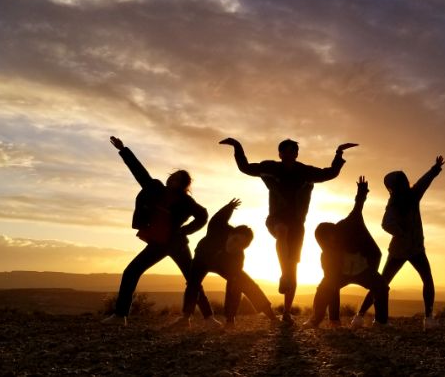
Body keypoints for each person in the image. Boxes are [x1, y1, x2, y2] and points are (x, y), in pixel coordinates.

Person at [219, 137, 357, 324]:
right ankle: (284, 273)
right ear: (280, 153)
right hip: (275, 219)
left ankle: (286, 312)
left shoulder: (305, 172)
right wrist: (237, 146)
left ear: (297, 154)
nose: (291, 153)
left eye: (294, 151)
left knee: (293, 270)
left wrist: (339, 152)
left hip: (297, 225)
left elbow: (330, 173)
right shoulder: (270, 168)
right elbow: (245, 167)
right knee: (282, 231)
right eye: (287, 150)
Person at [102, 136, 216, 327]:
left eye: (177, 179)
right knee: (131, 272)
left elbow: (203, 215)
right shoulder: (155, 188)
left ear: (183, 184)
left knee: (192, 280)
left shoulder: (186, 201)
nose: (172, 179)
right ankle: (120, 315)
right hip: (158, 244)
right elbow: (139, 172)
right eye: (172, 176)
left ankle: (209, 318)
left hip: (177, 244)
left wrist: (185, 231)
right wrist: (123, 150)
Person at [354, 156, 445, 330]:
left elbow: (386, 224)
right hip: (412, 248)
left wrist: (435, 169)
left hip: (402, 249)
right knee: (424, 280)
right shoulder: (409, 197)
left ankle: (359, 316)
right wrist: (403, 233)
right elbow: (386, 223)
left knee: (382, 283)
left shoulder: (399, 200)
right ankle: (428, 319)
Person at [173, 198, 279, 328]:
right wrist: (229, 208)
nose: (235, 246)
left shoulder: (238, 257)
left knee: (242, 281)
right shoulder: (217, 227)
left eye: (241, 245)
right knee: (193, 283)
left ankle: (271, 318)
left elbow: (234, 289)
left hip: (223, 264)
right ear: (230, 234)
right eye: (235, 240)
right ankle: (185, 318)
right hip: (202, 257)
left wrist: (230, 318)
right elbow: (219, 217)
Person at [304, 176, 388, 329]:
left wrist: (361, 193)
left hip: (364, 269)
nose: (331, 245)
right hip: (342, 272)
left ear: (335, 232)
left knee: (381, 286)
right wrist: (334, 319)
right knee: (324, 288)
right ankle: (318, 320)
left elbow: (357, 208)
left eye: (331, 240)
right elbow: (331, 282)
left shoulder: (350, 224)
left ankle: (380, 322)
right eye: (326, 244)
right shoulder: (327, 254)